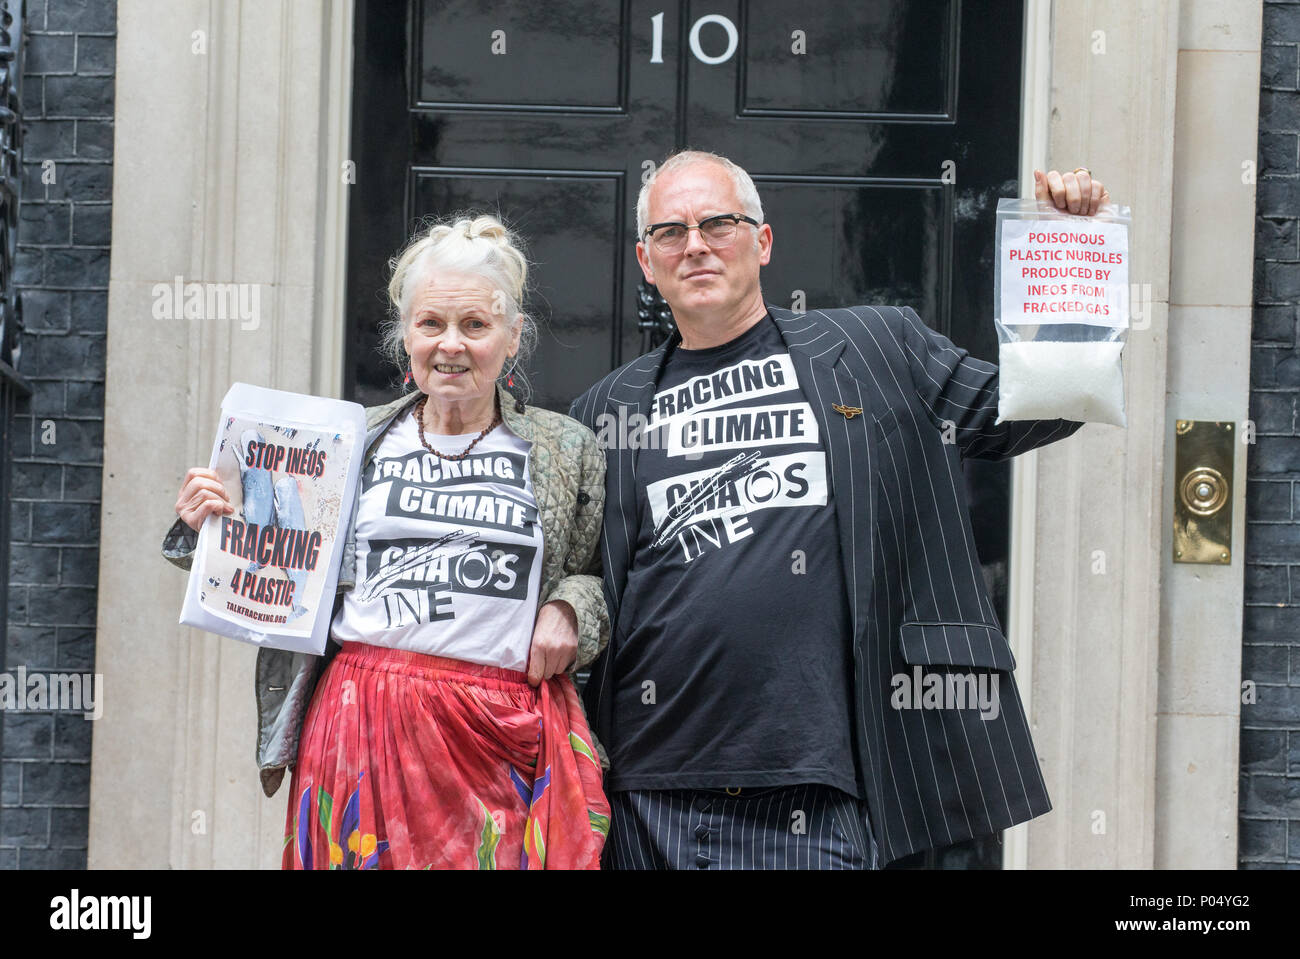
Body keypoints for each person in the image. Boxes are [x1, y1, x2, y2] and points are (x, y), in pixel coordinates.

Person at [568, 151, 1111, 869]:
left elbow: (1040, 408)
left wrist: (1071, 250)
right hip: (646, 801)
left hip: (815, 798)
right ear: (646, 260)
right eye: (671, 232)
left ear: (762, 242)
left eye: (718, 223)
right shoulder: (606, 409)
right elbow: (579, 584)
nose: (695, 244)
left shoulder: (879, 348)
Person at [162, 214, 611, 869]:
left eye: (475, 326)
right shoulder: (345, 441)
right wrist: (208, 525)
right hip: (357, 726)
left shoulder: (565, 446)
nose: (450, 345)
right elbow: (270, 565)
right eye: (431, 324)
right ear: (404, 335)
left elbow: (596, 574)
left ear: (513, 338)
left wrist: (570, 608)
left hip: (497, 737)